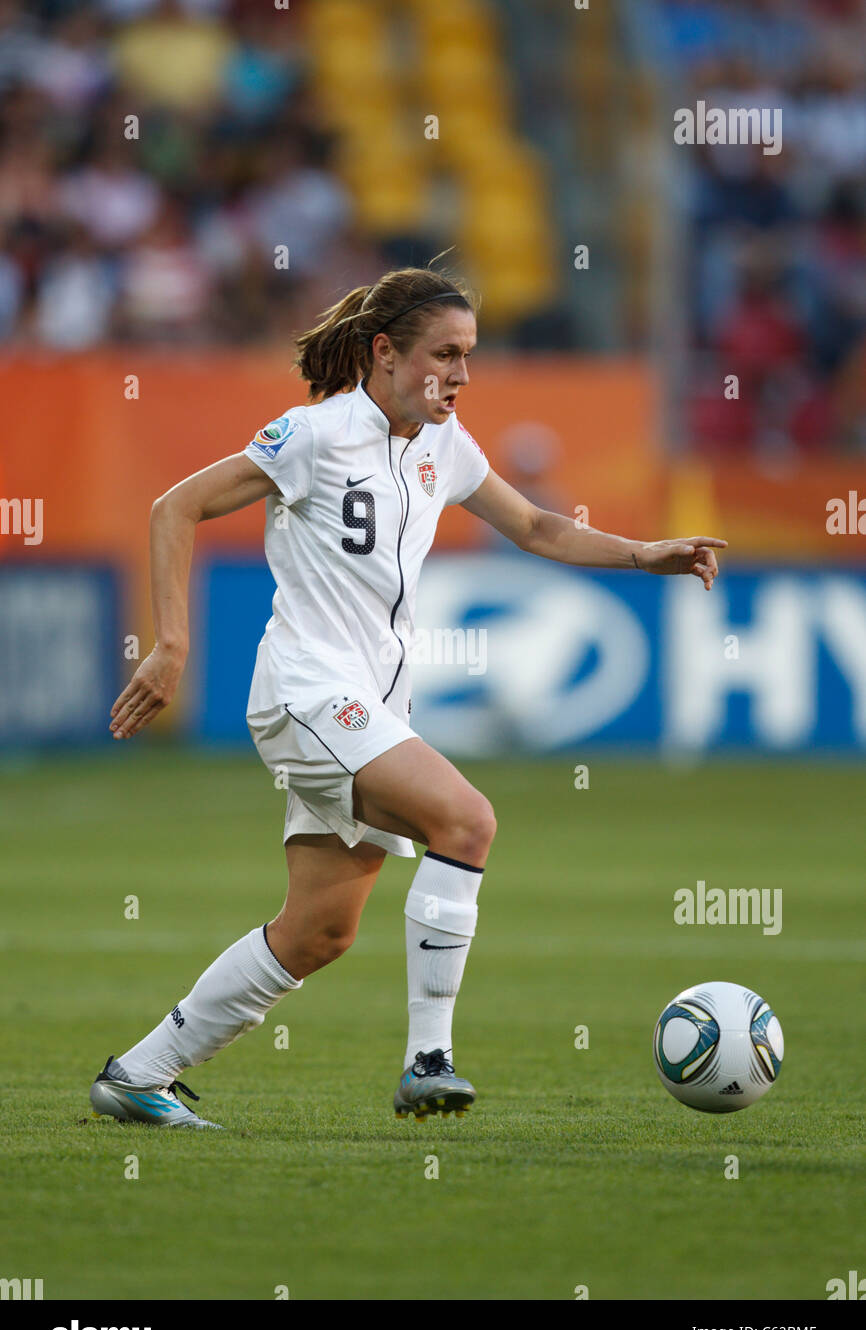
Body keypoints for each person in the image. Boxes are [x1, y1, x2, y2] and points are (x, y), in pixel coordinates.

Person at [90, 262, 727, 1129]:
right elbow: (175, 506)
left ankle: (137, 1074)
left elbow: (537, 525)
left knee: (318, 932)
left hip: (373, 706)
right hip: (307, 692)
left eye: (468, 357)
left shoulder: (444, 446)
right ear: (385, 353)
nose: (460, 376)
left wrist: (645, 552)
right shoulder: (313, 436)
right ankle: (429, 1059)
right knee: (466, 819)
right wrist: (171, 645)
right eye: (445, 355)